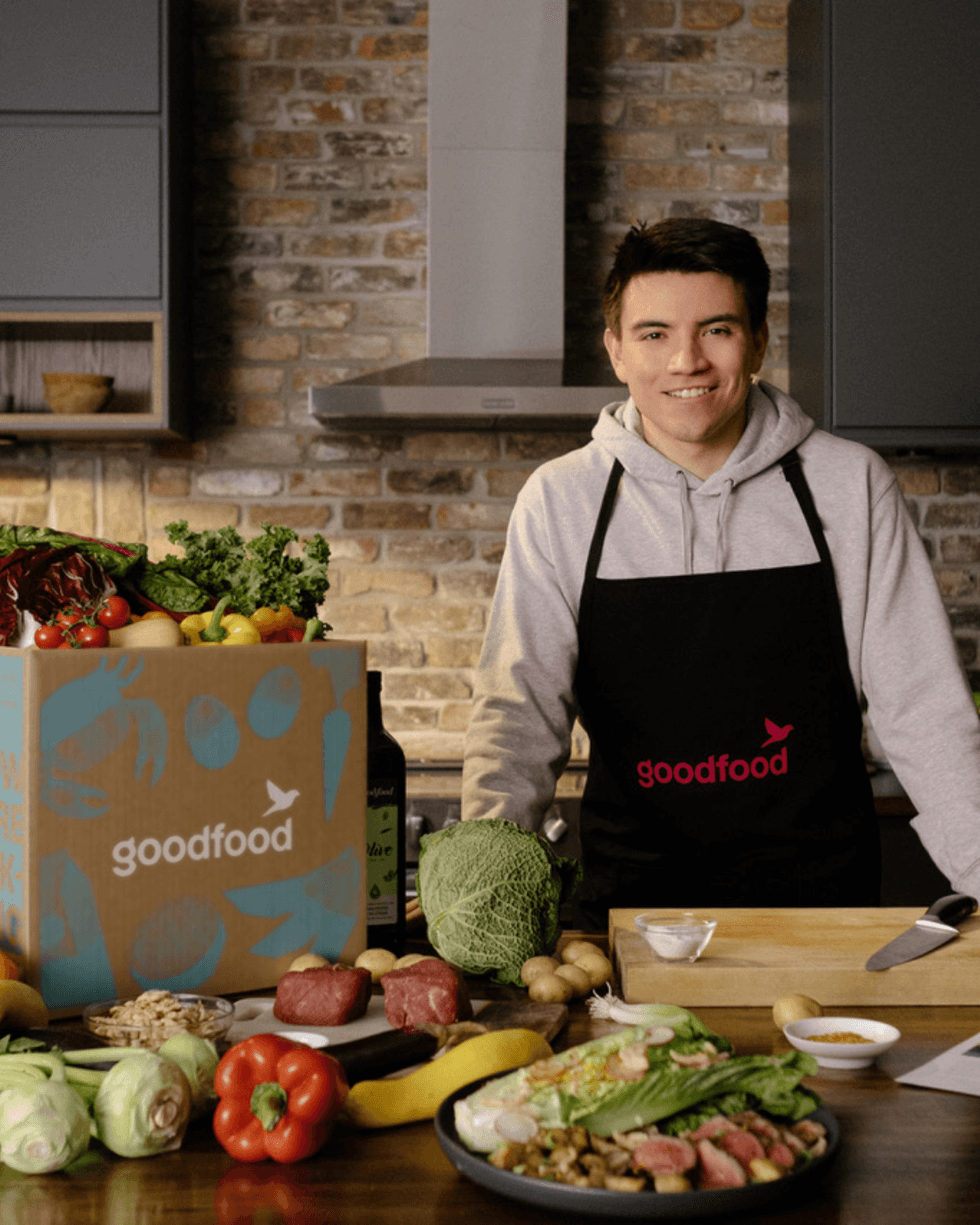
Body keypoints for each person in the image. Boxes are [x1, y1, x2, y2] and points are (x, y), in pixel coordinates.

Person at [461, 217, 980, 928]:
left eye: (716, 329)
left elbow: (925, 716)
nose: (686, 362)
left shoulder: (848, 484)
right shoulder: (562, 500)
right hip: (630, 926)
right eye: (654, 334)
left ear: (759, 340)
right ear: (615, 349)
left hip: (825, 919)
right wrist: (482, 906)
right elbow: (517, 718)